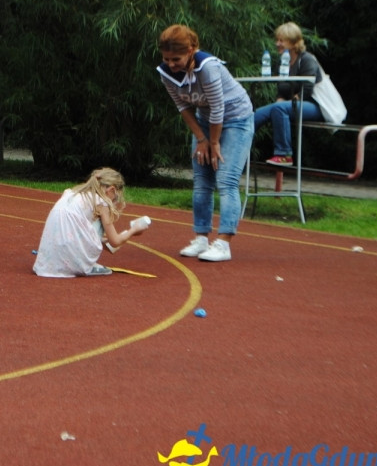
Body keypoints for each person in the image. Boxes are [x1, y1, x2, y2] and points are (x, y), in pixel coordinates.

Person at [156, 24, 254, 262]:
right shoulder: (165, 72)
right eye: (166, 58)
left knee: (226, 179)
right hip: (204, 122)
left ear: (191, 50)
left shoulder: (207, 67)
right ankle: (201, 238)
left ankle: (223, 243)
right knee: (201, 181)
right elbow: (183, 106)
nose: (171, 64)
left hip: (236, 120)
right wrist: (202, 139)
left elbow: (219, 106)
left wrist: (214, 142)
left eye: (176, 58)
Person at [33, 168, 145, 278]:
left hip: (50, 260)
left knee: (79, 221)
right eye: (115, 196)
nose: (114, 200)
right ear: (111, 190)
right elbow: (115, 241)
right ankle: (84, 265)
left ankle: (70, 262)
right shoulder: (101, 203)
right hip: (74, 260)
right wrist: (134, 230)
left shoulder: (70, 193)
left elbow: (75, 229)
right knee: (99, 222)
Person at [252, 22, 324, 166]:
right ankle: (238, 150)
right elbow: (282, 89)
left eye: (281, 40)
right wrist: (280, 100)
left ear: (292, 42)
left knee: (279, 108)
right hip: (290, 104)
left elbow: (307, 90)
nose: (277, 43)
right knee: (256, 114)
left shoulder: (307, 59)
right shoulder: (282, 62)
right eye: (277, 40)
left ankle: (284, 154)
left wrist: (284, 104)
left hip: (315, 105)